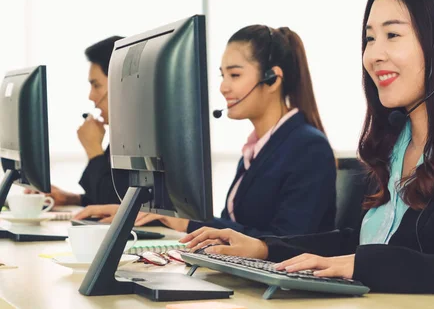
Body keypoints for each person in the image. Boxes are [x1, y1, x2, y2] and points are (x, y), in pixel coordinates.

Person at [178, 0, 434, 309]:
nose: (373, 55)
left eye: (392, 35)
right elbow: (360, 242)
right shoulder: (396, 146)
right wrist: (264, 249)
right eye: (370, 38)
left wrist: (367, 265)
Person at [75, 26, 338, 238]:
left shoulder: (307, 147)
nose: (223, 87)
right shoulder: (259, 147)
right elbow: (236, 225)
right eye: (222, 75)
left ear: (272, 79)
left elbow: (288, 242)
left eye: (234, 75)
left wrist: (188, 223)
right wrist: (145, 213)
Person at [26, 36, 128, 206]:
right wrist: (71, 199)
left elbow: (126, 208)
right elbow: (114, 200)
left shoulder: (150, 138)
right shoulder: (123, 135)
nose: (91, 96)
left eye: (96, 85)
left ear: (121, 83)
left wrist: (94, 150)